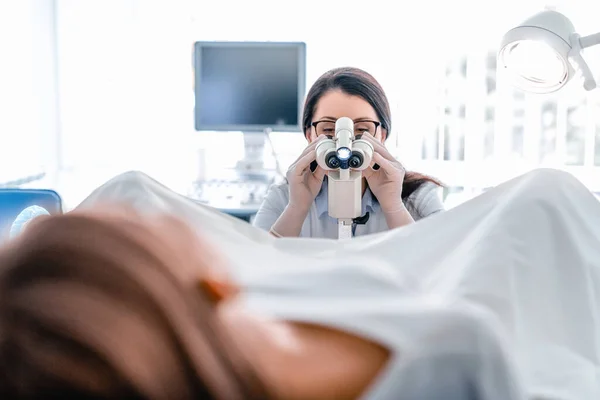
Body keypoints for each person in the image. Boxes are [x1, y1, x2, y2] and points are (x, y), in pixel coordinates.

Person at [2, 166, 600, 399]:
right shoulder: (451, 351)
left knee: (130, 187)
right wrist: (299, 198)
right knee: (543, 198)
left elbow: (439, 239)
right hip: (361, 285)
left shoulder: (414, 194)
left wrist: (393, 200)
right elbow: (265, 247)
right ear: (208, 284)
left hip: (361, 269)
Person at [252, 67, 445, 239]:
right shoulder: (283, 198)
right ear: (310, 135)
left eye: (362, 130)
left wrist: (393, 206)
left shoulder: (419, 198)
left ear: (382, 135)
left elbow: (443, 268)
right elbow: (252, 268)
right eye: (328, 130)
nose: (345, 143)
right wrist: (297, 208)